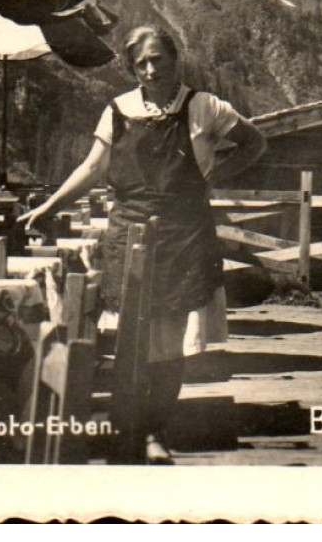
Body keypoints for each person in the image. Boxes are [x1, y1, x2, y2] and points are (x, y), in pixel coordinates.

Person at [18, 25, 266, 464]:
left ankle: (155, 433)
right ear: (133, 69)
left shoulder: (204, 106)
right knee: (131, 336)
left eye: (159, 59)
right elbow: (94, 167)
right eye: (142, 63)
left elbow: (254, 142)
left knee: (169, 341)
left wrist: (212, 177)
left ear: (175, 59)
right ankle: (127, 427)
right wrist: (50, 206)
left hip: (182, 235)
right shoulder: (117, 110)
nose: (151, 69)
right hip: (127, 231)